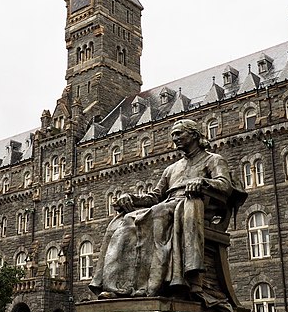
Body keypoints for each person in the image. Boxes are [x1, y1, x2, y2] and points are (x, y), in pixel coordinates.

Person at [89, 119, 244, 302]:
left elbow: (225, 185)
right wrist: (132, 199)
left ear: (193, 134)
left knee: (158, 213)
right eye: (172, 135)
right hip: (168, 205)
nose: (175, 138)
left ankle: (152, 285)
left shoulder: (213, 160)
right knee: (125, 221)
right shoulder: (172, 168)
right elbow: (155, 196)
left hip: (194, 204)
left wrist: (203, 182)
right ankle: (117, 285)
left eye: (179, 134)